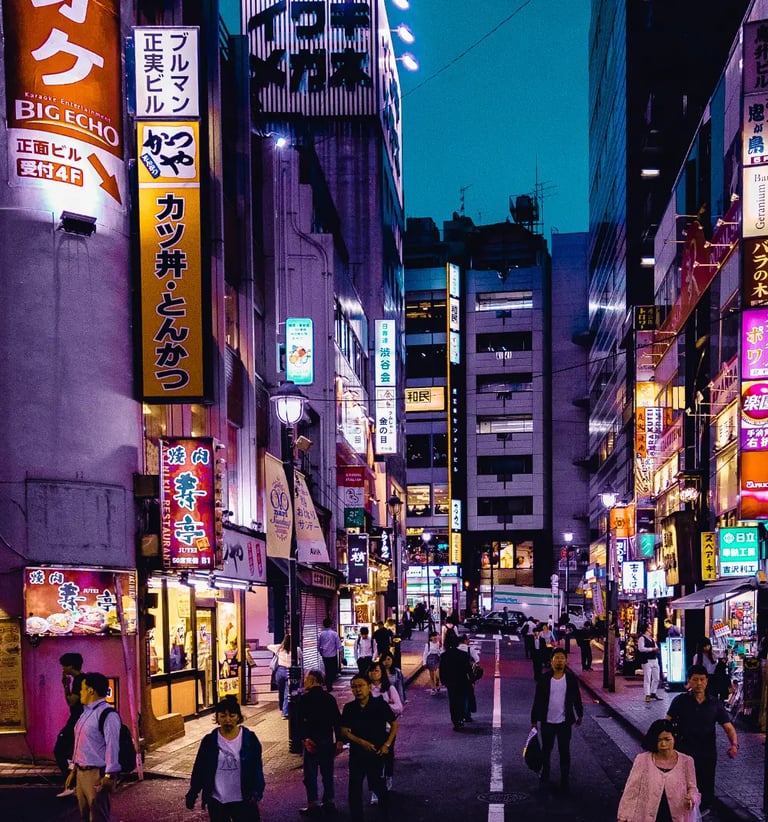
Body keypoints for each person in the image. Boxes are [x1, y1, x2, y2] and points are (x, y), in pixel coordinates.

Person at [666, 664, 739, 813]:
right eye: (695, 680)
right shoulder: (680, 701)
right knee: (683, 784)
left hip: (707, 752)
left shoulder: (715, 704)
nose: (699, 683)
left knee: (706, 783)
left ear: (706, 681)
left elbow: (728, 727)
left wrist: (734, 745)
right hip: (684, 751)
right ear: (689, 682)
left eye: (702, 679)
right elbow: (666, 723)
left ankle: (703, 810)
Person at [186, 695, 265, 821]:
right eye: (223, 716)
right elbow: (200, 769)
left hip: (244, 800)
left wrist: (257, 791)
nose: (227, 720)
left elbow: (257, 768)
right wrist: (193, 793)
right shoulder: (209, 741)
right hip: (217, 800)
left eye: (232, 715)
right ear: (217, 718)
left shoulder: (250, 739)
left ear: (238, 717)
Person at [617, 719, 700, 822]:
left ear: (674, 738)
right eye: (659, 740)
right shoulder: (642, 760)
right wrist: (623, 816)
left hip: (676, 816)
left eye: (667, 739)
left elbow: (693, 788)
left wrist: (691, 798)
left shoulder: (687, 761)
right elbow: (631, 790)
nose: (663, 744)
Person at [341, 674, 398, 822]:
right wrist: (360, 742)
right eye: (354, 687)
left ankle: (385, 814)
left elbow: (394, 724)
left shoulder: (380, 705)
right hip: (357, 755)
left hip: (376, 752)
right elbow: (344, 731)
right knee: (354, 789)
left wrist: (387, 745)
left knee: (378, 785)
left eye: (360, 686)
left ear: (369, 687)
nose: (357, 690)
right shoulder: (349, 708)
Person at [65, 672, 122, 822]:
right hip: (81, 774)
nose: (80, 692)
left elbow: (113, 746)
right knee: (85, 815)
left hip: (96, 774)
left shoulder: (108, 715)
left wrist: (109, 776)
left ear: (91, 691)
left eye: (82, 689)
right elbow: (80, 745)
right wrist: (73, 770)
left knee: (98, 816)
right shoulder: (85, 714)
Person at [530, 648, 583, 794]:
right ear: (551, 660)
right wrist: (534, 719)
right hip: (547, 721)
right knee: (546, 750)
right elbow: (538, 700)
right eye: (556, 658)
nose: (559, 660)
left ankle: (564, 778)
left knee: (564, 751)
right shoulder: (544, 678)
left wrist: (580, 713)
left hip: (564, 722)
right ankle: (545, 772)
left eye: (562, 658)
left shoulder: (571, 678)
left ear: (566, 661)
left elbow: (576, 697)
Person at [297, 670, 343, 816]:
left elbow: (298, 723)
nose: (304, 681)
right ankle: (329, 802)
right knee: (327, 773)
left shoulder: (304, 699)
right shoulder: (329, 699)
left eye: (306, 679)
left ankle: (313, 804)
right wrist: (339, 740)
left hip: (311, 741)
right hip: (327, 740)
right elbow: (337, 720)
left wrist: (305, 739)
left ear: (313, 680)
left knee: (310, 775)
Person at [367, 661, 402, 793]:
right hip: (369, 728)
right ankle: (374, 791)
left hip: (387, 728)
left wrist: (385, 705)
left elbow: (399, 708)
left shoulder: (389, 689)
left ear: (382, 673)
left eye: (376, 670)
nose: (374, 673)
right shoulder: (367, 688)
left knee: (387, 755)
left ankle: (388, 776)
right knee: (372, 759)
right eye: (371, 670)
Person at [54, 652, 86, 796]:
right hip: (80, 720)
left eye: (64, 666)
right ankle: (75, 784)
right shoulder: (83, 679)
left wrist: (65, 686)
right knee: (72, 753)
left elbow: (71, 701)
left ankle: (71, 784)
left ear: (71, 666)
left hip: (76, 720)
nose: (62, 669)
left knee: (60, 750)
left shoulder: (79, 680)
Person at [439, 632, 474, 731]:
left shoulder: (444, 655)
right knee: (461, 700)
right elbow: (468, 669)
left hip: (450, 682)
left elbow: (442, 669)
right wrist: (471, 679)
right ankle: (460, 718)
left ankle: (455, 721)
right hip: (462, 680)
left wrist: (443, 680)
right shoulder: (463, 655)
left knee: (453, 701)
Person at [267, 634, 298, 719]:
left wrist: (281, 645)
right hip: (290, 672)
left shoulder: (279, 648)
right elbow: (300, 656)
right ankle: (285, 712)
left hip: (280, 671)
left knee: (281, 691)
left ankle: (282, 707)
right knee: (287, 692)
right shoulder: (296, 649)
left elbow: (268, 646)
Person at [458, 633, 480, 722]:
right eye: (468, 639)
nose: (469, 640)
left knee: (458, 695)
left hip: (456, 675)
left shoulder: (455, 649)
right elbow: (477, 659)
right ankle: (466, 714)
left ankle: (459, 714)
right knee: (467, 694)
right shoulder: (469, 649)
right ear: (465, 640)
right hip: (467, 675)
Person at [317, 619, 343, 692]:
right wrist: (341, 657)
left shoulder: (320, 634)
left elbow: (318, 646)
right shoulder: (334, 634)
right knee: (333, 670)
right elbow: (339, 646)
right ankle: (329, 684)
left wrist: (321, 653)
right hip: (333, 655)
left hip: (325, 656)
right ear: (331, 624)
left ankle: (328, 684)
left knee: (327, 670)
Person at [637, 623, 661, 703]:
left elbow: (656, 647)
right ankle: (647, 695)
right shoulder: (642, 638)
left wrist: (655, 649)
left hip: (654, 660)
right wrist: (652, 649)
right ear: (647, 629)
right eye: (650, 628)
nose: (651, 629)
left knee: (656, 678)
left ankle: (653, 692)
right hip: (647, 661)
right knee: (647, 679)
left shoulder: (652, 639)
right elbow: (641, 648)